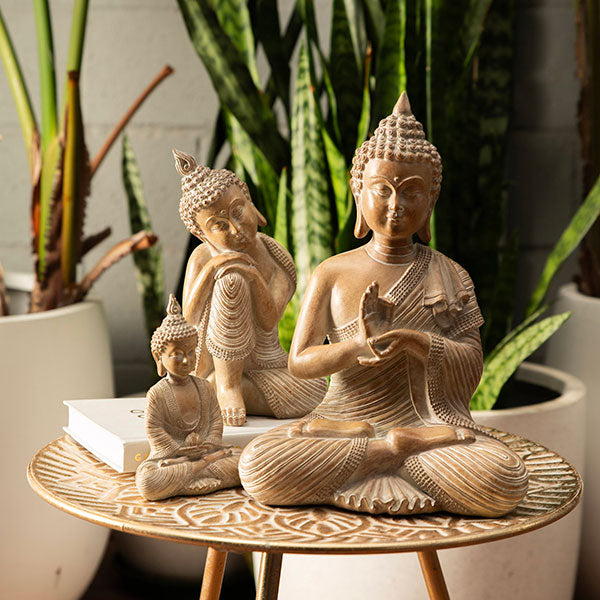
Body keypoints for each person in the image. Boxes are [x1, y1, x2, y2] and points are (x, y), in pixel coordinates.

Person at [238, 93, 529, 517]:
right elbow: (299, 362)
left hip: (426, 426)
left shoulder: (450, 274)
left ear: (431, 200)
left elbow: (472, 362)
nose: (396, 206)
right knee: (259, 466)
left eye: (412, 193)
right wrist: (358, 347)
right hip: (344, 424)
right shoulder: (331, 272)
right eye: (383, 190)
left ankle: (391, 449)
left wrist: (416, 342)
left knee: (504, 477)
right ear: (358, 192)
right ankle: (390, 452)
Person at [173, 149, 327, 427]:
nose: (235, 229)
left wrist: (255, 278)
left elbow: (268, 322)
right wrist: (212, 270)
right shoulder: (201, 258)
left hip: (266, 366)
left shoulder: (276, 256)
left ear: (249, 201)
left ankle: (215, 390)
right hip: (212, 361)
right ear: (201, 234)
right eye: (219, 225)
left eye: (238, 212)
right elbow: (189, 319)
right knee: (231, 279)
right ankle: (227, 385)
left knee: (317, 389)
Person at [135, 295, 240, 501]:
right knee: (147, 481)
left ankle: (191, 475)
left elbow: (216, 421)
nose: (186, 360)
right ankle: (198, 472)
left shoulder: (205, 387)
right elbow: (154, 430)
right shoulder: (157, 393)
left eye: (191, 352)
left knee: (243, 461)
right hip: (173, 459)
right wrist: (179, 449)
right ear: (159, 357)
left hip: (207, 454)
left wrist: (209, 443)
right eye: (177, 354)